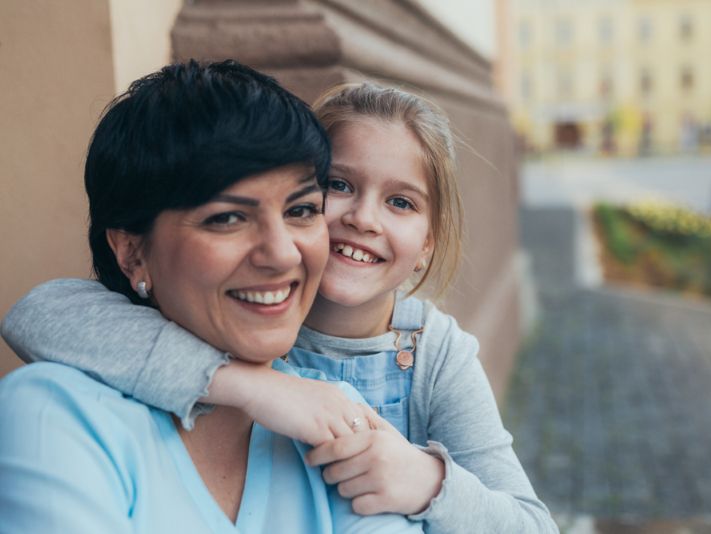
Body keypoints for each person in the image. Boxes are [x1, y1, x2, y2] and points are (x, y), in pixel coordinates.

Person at [2, 83, 558, 533]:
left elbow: (529, 524)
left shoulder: (432, 353)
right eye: (337, 186)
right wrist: (248, 384)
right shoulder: (248, 317)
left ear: (429, 242)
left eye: (400, 202)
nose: (364, 219)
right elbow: (39, 313)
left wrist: (427, 481)